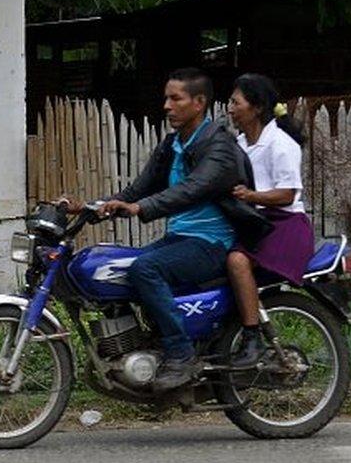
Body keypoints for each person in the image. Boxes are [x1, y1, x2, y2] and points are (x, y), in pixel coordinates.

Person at [61, 68, 269, 391]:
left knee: (146, 268)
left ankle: (181, 353)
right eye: (166, 98)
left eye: (176, 99)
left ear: (199, 103)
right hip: (182, 238)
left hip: (212, 242)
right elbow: (135, 190)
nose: (167, 106)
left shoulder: (219, 145)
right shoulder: (174, 145)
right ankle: (150, 344)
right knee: (126, 267)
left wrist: (144, 208)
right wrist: (91, 206)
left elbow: (194, 188)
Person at [226, 74, 314, 367]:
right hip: (256, 222)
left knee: (238, 261)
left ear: (257, 107)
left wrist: (251, 196)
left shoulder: (280, 143)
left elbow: (288, 194)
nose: (230, 108)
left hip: (283, 225)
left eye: (236, 102)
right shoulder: (239, 143)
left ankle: (253, 339)